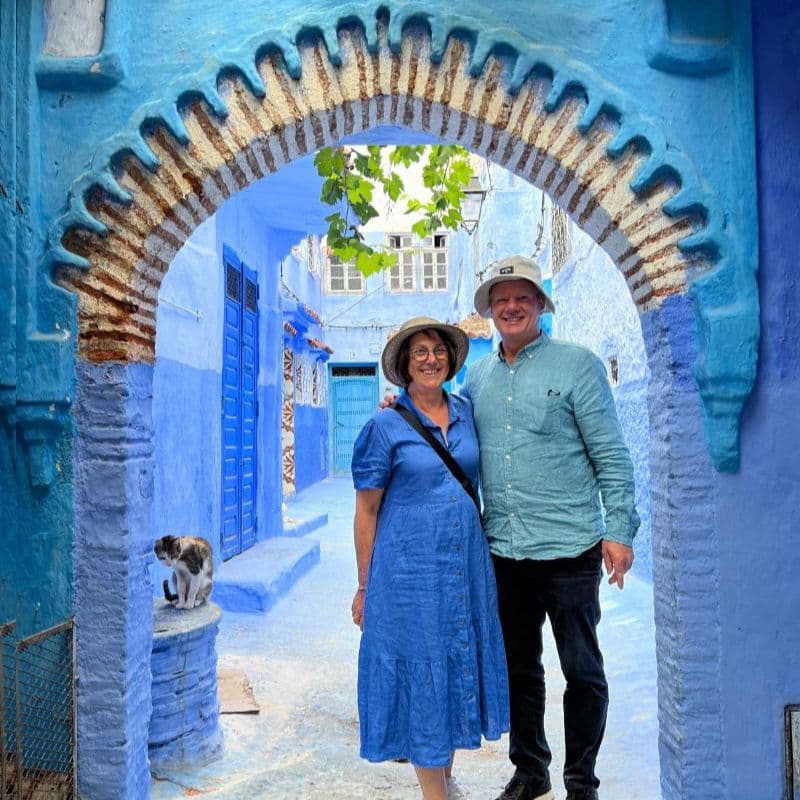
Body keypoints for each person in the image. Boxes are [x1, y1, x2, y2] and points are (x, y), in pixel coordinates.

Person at [463, 256, 640, 800]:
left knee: (582, 670)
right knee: (520, 669)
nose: (511, 307)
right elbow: (451, 436)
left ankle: (581, 780)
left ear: (541, 304)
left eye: (522, 297)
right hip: (506, 551)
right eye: (501, 299)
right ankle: (531, 770)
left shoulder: (578, 365)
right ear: (491, 311)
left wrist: (620, 530)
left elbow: (611, 454)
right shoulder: (478, 377)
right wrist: (403, 411)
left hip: (570, 549)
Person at [350, 316, 510, 800]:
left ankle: (445, 778)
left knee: (456, 659)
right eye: (419, 351)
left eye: (438, 350)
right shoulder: (383, 426)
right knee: (423, 670)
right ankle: (433, 795)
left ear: (451, 360)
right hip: (408, 572)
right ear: (403, 364)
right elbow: (366, 509)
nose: (430, 358)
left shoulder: (466, 412)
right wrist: (364, 584)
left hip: (465, 567)